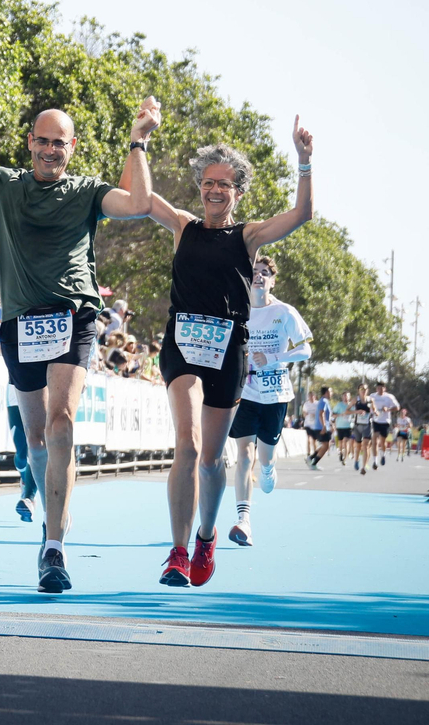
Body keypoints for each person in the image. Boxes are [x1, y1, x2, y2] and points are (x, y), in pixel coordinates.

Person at [0, 46, 160, 594]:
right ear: (30, 142)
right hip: (22, 325)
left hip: (75, 317)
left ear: (72, 148)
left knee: (61, 425)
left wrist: (138, 140)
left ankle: (54, 548)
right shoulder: (3, 184)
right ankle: (50, 493)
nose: (52, 149)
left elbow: (141, 201)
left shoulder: (87, 192)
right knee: (35, 437)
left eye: (61, 142)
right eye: (44, 140)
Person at [146, 117, 314, 587]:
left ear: (238, 191)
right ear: (199, 187)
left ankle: (205, 537)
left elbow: (301, 216)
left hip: (227, 352)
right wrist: (140, 139)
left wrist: (304, 163)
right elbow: (140, 200)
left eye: (224, 184)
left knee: (213, 458)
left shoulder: (248, 236)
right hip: (181, 346)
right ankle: (177, 552)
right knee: (189, 445)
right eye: (207, 183)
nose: (214, 190)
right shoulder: (182, 225)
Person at [226, 254, 313, 548]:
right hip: (246, 393)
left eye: (265, 272)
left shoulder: (285, 312)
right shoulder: (237, 310)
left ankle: (268, 468)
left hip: (276, 394)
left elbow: (305, 351)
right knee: (244, 456)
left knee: (264, 458)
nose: (259, 276)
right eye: (255, 271)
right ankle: (244, 521)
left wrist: (274, 358)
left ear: (272, 281)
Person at [370, 382, 399, 467]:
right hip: (375, 421)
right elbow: (368, 405)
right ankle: (375, 461)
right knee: (374, 440)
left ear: (384, 388)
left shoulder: (389, 397)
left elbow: (397, 407)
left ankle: (383, 455)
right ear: (376, 389)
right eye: (378, 388)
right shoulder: (372, 396)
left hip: (385, 421)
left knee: (383, 441)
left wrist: (388, 409)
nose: (380, 390)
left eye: (382, 388)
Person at [303, 386, 334, 467]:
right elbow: (321, 414)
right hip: (321, 427)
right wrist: (324, 426)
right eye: (330, 392)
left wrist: (331, 425)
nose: (332, 393)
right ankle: (314, 463)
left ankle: (311, 458)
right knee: (325, 446)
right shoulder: (323, 401)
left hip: (324, 426)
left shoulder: (325, 401)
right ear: (326, 393)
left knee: (325, 445)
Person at [351, 385, 374, 473]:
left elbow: (375, 410)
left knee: (366, 445)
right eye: (361, 389)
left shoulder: (370, 400)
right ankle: (356, 460)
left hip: (367, 425)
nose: (363, 391)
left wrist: (376, 412)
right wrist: (357, 411)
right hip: (357, 426)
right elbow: (347, 411)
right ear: (358, 390)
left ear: (367, 390)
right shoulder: (355, 400)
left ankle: (364, 466)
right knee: (358, 446)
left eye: (365, 389)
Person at [333, 391, 354, 464]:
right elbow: (333, 414)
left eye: (347, 396)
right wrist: (340, 415)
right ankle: (341, 453)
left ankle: (344, 459)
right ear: (342, 397)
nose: (346, 397)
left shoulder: (352, 405)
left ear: (349, 397)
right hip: (340, 426)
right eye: (344, 396)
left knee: (346, 441)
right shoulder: (339, 405)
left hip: (348, 426)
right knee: (341, 443)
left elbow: (356, 413)